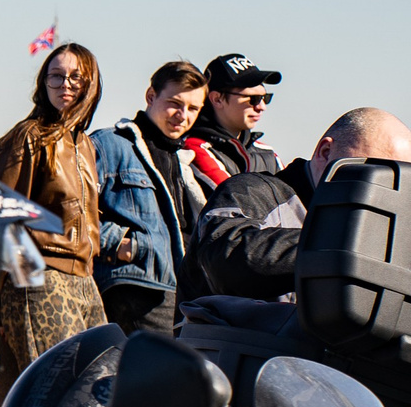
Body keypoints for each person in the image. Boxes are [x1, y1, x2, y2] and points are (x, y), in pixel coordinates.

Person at [179, 107, 411, 303]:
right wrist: (346, 243)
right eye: (374, 170)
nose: (383, 186)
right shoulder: (252, 191)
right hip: (235, 352)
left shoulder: (380, 228)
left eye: (395, 180)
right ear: (326, 152)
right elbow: (226, 261)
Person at [0, 43, 106, 400]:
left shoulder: (84, 143)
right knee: (53, 395)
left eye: (75, 76)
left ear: (91, 84)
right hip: (39, 277)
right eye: (56, 75)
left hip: (84, 279)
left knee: (98, 388)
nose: (65, 83)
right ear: (43, 82)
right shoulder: (28, 136)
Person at [89, 60, 207, 337]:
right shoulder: (109, 144)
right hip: (137, 285)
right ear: (151, 96)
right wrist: (123, 245)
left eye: (193, 109)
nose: (183, 115)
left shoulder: (182, 160)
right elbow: (71, 212)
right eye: (175, 103)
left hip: (179, 291)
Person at [186, 54, 283, 193]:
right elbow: (236, 202)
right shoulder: (194, 149)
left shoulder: (268, 153)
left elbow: (293, 204)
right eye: (253, 99)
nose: (261, 107)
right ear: (217, 99)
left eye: (265, 98)